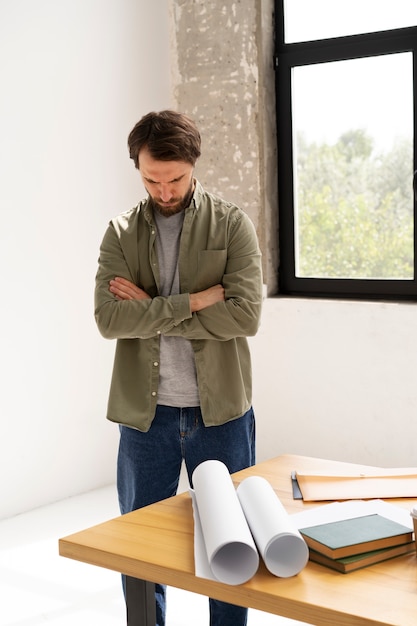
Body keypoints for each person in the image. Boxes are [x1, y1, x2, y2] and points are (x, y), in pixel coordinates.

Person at [94, 110, 263, 626]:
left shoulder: (232, 225)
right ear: (137, 168)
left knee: (231, 547)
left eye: (175, 179)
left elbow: (246, 315)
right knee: (141, 551)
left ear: (193, 165)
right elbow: (107, 319)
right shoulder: (120, 233)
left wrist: (151, 308)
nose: (164, 191)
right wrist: (192, 303)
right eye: (151, 179)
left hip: (222, 415)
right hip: (146, 420)